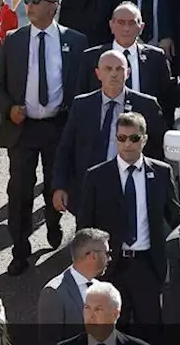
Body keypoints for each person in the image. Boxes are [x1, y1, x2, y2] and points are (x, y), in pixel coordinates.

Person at [79, 113, 180, 325]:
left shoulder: (161, 173)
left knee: (151, 330)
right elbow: (84, 229)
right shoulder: (97, 176)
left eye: (133, 138)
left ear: (144, 139)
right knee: (112, 331)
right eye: (121, 138)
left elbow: (175, 217)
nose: (127, 144)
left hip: (147, 266)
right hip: (110, 268)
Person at [0, 0, 88, 275]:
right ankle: (20, 250)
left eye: (35, 0)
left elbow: (83, 85)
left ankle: (54, 222)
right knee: (19, 190)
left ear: (53, 7)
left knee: (56, 185)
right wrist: (9, 109)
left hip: (59, 126)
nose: (28, 5)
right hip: (23, 128)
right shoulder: (14, 40)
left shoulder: (77, 42)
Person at [54, 50, 166, 222]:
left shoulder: (147, 105)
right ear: (98, 73)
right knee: (89, 244)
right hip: (90, 191)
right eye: (108, 69)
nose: (114, 73)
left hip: (131, 188)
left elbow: (158, 150)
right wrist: (60, 186)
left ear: (127, 73)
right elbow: (65, 149)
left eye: (119, 69)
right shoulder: (82, 105)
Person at [78, 2, 180, 128]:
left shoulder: (156, 58)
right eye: (121, 22)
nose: (126, 28)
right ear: (111, 25)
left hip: (145, 135)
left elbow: (167, 98)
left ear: (141, 27)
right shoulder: (91, 57)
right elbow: (81, 100)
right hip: (102, 133)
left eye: (132, 23)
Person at [36, 228, 111, 345]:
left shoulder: (100, 288)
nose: (109, 258)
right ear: (92, 256)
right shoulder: (54, 292)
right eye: (107, 253)